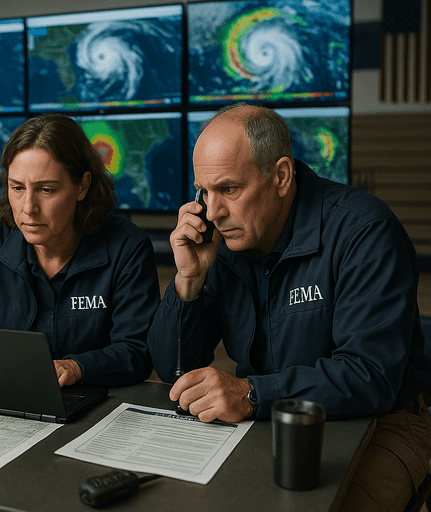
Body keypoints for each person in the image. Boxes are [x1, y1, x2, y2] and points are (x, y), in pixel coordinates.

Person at [147, 102, 431, 511]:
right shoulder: (220, 244)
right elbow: (174, 370)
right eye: (204, 192)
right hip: (264, 415)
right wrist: (188, 281)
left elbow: (371, 377)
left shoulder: (365, 232)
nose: (213, 212)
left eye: (228, 189)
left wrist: (251, 393)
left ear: (281, 176)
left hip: (381, 421)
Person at [0, 114, 159, 388]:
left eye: (46, 190)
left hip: (99, 401)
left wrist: (76, 367)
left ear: (82, 186)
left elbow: (137, 351)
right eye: (17, 188)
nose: (28, 207)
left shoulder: (128, 249)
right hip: (15, 394)